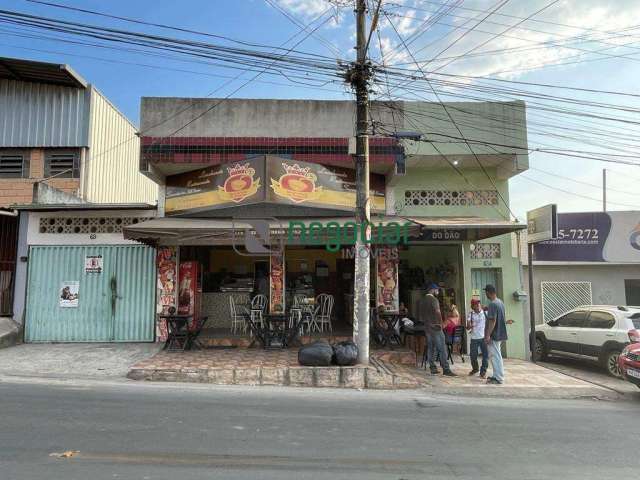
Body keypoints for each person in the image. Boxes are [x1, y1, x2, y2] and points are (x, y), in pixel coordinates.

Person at [418, 283, 456, 376]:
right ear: (433, 290)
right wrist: (441, 323)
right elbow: (438, 312)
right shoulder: (434, 300)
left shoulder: (422, 301)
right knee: (442, 348)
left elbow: (420, 317)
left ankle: (432, 368)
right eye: (437, 290)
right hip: (436, 328)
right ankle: (446, 369)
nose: (438, 292)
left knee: (431, 348)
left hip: (427, 328)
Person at [484, 284, 508, 385]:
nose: (485, 294)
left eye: (486, 292)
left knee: (495, 356)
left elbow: (492, 320)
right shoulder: (500, 302)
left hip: (494, 334)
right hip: (500, 333)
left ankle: (498, 377)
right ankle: (496, 375)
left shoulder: (493, 304)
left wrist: (488, 334)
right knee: (497, 355)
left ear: (489, 293)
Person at [466, 298, 488, 378]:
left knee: (485, 355)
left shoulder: (485, 313)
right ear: (472, 306)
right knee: (473, 356)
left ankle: (483, 372)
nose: (478, 305)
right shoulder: (470, 314)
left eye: (478, 303)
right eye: (476, 304)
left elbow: (493, 321)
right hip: (474, 338)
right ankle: (475, 369)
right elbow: (467, 327)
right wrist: (469, 326)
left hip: (483, 338)